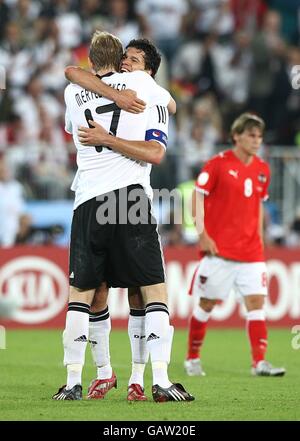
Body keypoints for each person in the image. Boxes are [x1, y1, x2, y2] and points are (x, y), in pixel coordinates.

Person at [52, 31, 194, 402]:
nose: (129, 63)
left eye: (135, 59)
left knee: (87, 292)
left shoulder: (77, 88)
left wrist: (107, 129)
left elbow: (71, 72)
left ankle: (83, 381)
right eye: (126, 56)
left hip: (89, 200)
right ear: (117, 61)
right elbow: (172, 106)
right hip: (126, 199)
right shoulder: (141, 85)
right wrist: (126, 95)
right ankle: (147, 378)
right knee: (145, 289)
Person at [185, 113, 286, 377]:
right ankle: (192, 358)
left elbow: (257, 208)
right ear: (236, 136)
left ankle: (259, 362)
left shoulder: (263, 169)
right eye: (251, 135)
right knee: (206, 305)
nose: (256, 140)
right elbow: (195, 199)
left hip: (252, 253)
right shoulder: (217, 164)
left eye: (259, 135)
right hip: (220, 251)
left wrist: (261, 240)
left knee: (256, 304)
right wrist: (202, 235)